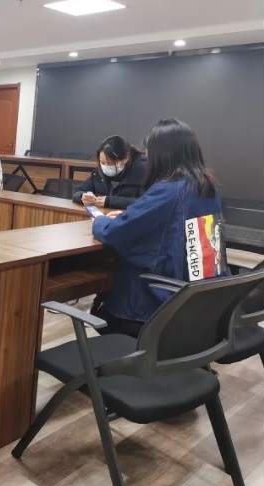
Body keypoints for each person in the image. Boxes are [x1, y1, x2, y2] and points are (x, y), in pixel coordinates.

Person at [90, 118, 227, 336]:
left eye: (149, 152)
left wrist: (100, 221)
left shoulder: (168, 191)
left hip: (158, 306)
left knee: (101, 310)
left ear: (162, 155)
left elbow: (116, 233)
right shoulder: (206, 187)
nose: (147, 157)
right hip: (199, 300)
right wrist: (130, 216)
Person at [72, 135, 146, 210]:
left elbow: (145, 202)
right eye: (102, 162)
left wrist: (109, 201)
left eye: (111, 163)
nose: (106, 166)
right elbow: (78, 191)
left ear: (125, 159)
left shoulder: (141, 171)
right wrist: (83, 197)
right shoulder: (99, 172)